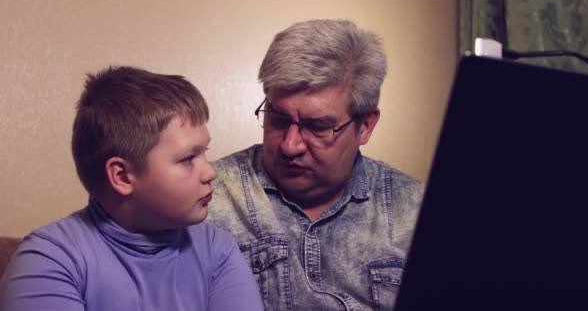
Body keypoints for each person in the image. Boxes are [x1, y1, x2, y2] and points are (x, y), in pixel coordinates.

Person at [0, 66, 264, 311]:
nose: (210, 172)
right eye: (187, 159)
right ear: (123, 176)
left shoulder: (218, 249)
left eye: (204, 152)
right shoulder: (48, 260)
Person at [207, 19, 424, 310]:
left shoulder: (415, 212)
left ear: (365, 126)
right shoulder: (205, 199)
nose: (290, 145)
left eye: (317, 127)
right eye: (278, 118)